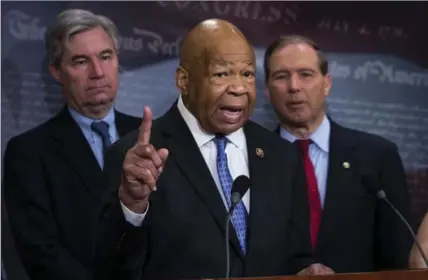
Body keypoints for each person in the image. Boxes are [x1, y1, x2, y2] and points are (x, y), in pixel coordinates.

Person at [94, 19, 334, 280]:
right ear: (184, 80)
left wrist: (307, 270)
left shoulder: (281, 156)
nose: (239, 88)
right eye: (222, 74)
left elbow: (295, 257)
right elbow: (112, 269)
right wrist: (132, 205)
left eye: (247, 74)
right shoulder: (137, 158)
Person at [3, 9, 141, 280]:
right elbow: (40, 250)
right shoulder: (29, 152)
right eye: (81, 61)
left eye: (105, 56)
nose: (98, 72)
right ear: (56, 71)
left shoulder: (150, 136)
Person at [264, 35, 413, 273]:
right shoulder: (251, 160)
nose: (294, 86)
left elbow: (396, 255)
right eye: (281, 76)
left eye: (306, 74)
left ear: (326, 84)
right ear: (267, 90)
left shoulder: (377, 156)